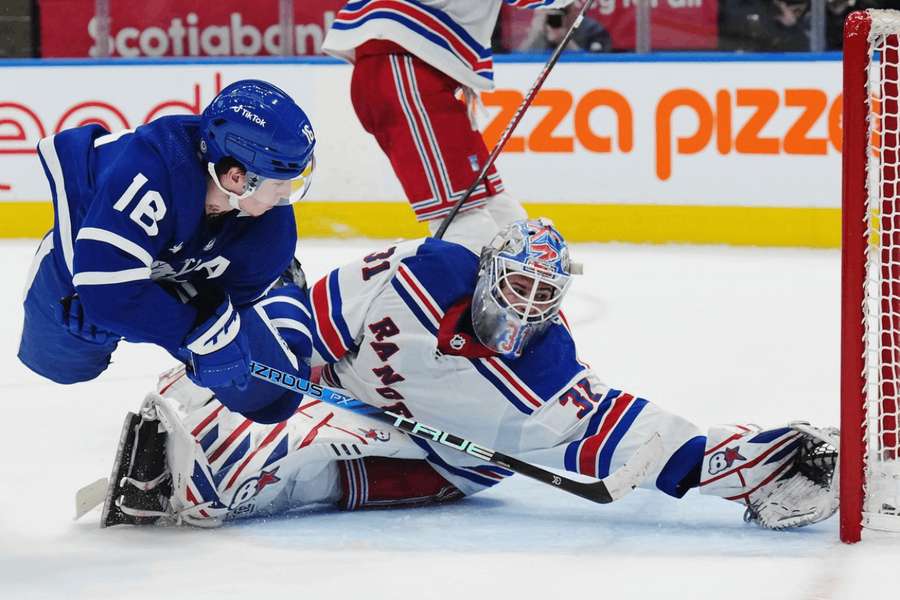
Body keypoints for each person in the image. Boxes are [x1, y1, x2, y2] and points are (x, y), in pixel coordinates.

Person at [97, 219, 839, 531]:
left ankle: (198, 491)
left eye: (544, 298)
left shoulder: (545, 381)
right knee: (254, 386)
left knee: (311, 466)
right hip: (349, 387)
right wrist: (278, 361)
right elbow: (309, 320)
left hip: (446, 458)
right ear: (487, 276)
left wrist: (756, 460)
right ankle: (181, 452)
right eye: (518, 288)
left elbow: (653, 447)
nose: (527, 309)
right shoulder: (417, 273)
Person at [18, 79, 317, 398]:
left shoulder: (270, 223)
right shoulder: (153, 171)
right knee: (64, 363)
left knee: (270, 397)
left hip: (192, 267)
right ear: (236, 178)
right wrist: (185, 331)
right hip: (88, 260)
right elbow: (106, 292)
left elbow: (236, 304)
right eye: (280, 183)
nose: (286, 194)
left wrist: (212, 333)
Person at [320, 0, 583, 252]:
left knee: (498, 208)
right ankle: (468, 297)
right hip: (403, 67)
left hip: (412, 67)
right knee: (465, 222)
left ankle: (516, 293)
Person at [522, 5, 612, 53]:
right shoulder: (541, 26)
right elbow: (520, 59)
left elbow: (597, 65)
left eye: (563, 11)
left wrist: (564, 41)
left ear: (573, 9)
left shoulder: (591, 29)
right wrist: (535, 33)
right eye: (551, 10)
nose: (556, 17)